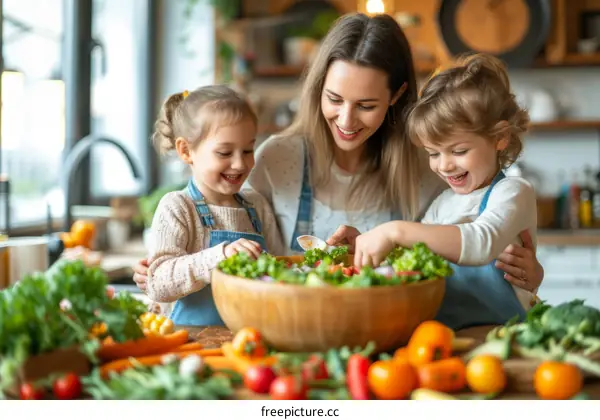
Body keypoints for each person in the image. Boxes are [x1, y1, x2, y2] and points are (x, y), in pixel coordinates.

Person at [132, 12, 543, 309]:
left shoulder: (430, 166)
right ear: (317, 90)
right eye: (334, 100)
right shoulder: (274, 159)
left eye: (366, 105)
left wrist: (530, 276)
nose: (346, 121)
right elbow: (248, 246)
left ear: (397, 96)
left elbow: (456, 251)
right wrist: (171, 269)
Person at [349, 53, 537, 329]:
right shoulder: (442, 204)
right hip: (447, 336)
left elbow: (480, 242)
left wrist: (394, 231)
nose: (445, 165)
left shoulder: (512, 192)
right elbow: (413, 262)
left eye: (459, 151)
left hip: (506, 335)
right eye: (433, 153)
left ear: (500, 138)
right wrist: (365, 245)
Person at [143, 85, 284, 326]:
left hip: (247, 340)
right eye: (225, 152)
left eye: (248, 150)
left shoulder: (257, 205)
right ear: (186, 151)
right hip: (189, 345)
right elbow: (158, 283)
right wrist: (219, 256)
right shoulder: (177, 207)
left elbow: (279, 270)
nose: (240, 164)